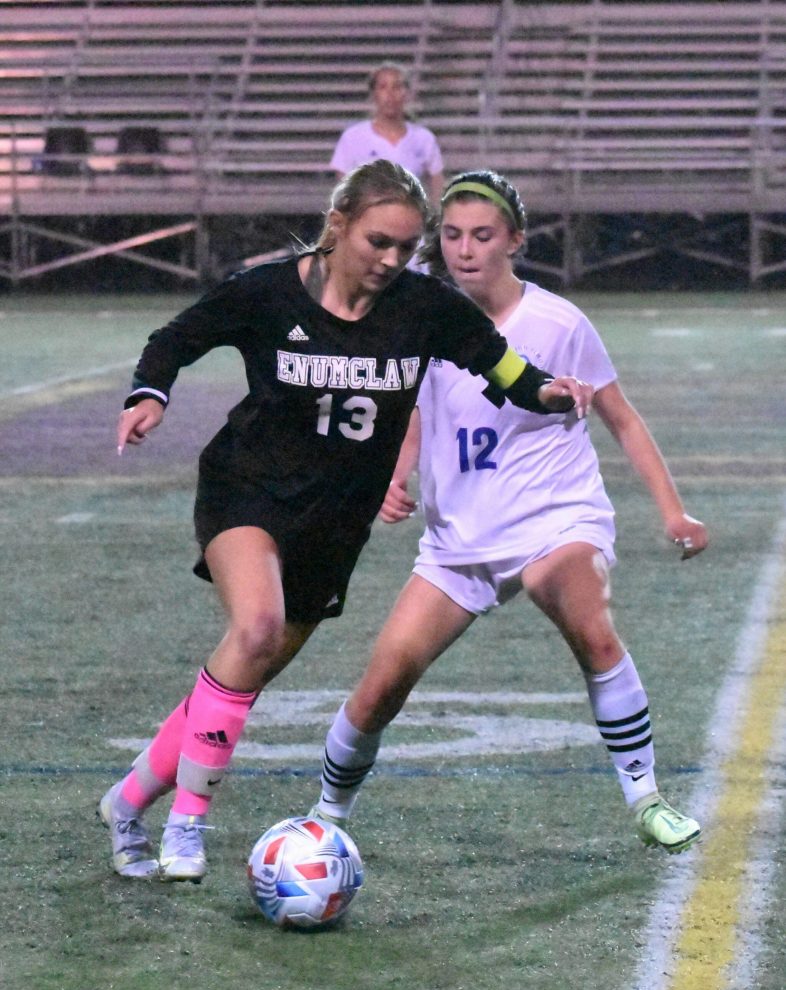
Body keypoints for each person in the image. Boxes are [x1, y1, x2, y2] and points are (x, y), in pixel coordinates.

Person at [99, 159, 592, 883]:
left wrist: (553, 394)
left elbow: (506, 371)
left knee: (243, 669)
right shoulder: (268, 292)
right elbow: (175, 339)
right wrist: (150, 395)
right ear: (338, 225)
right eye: (378, 242)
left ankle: (125, 802)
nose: (393, 260)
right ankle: (186, 829)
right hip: (248, 492)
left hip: (335, 523)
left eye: (405, 247)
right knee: (257, 629)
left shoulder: (426, 308)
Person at [310, 170, 707, 854]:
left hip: (556, 517)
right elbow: (413, 413)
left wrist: (673, 511)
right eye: (453, 235)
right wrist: (397, 477)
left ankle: (646, 798)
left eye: (482, 236)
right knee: (381, 686)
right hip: (459, 538)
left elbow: (621, 417)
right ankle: (322, 821)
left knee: (590, 623)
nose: (465, 250)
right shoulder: (423, 318)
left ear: (514, 241)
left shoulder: (557, 323)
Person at [330, 62, 444, 206]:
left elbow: (437, 181)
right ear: (373, 94)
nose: (390, 95)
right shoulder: (353, 137)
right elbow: (343, 189)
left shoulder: (424, 138)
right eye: (383, 87)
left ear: (407, 93)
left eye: (397, 87)